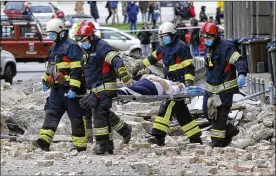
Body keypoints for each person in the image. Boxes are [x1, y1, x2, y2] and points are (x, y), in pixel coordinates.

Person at [131, 21, 202, 146]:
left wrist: (188, 82)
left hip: (178, 84)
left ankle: (159, 136)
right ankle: (195, 137)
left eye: (166, 36)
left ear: (173, 34)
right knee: (181, 112)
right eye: (162, 37)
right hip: (168, 82)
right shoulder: (163, 48)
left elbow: (189, 66)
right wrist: (138, 67)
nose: (164, 39)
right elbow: (151, 59)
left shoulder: (182, 47)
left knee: (167, 106)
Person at [74, 20, 132, 155]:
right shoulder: (85, 50)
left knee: (99, 113)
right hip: (93, 90)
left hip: (105, 87)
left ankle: (102, 144)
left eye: (83, 40)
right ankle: (121, 133)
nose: (82, 43)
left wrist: (123, 72)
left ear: (91, 36)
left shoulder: (102, 46)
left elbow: (116, 59)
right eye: (80, 40)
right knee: (104, 113)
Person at [33, 18, 87, 152]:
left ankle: (80, 145)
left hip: (70, 89)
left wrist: (74, 88)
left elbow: (76, 69)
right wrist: (45, 81)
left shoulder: (72, 46)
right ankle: (44, 141)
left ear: (60, 33)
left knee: (76, 117)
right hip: (57, 89)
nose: (50, 37)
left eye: (52, 34)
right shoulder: (54, 47)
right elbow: (51, 67)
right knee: (51, 112)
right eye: (49, 34)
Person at [201, 22, 247, 147]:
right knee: (207, 112)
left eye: (209, 37)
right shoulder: (208, 47)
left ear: (215, 36)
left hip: (224, 89)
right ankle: (230, 130)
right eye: (205, 37)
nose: (206, 40)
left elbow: (239, 60)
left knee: (220, 116)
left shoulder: (226, 47)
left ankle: (217, 143)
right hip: (210, 88)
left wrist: (242, 73)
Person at [118, 74, 186, 96]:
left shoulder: (177, 89)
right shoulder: (169, 82)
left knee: (133, 89)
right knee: (132, 88)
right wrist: (155, 78)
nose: (177, 83)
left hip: (153, 88)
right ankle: (117, 91)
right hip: (148, 83)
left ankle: (117, 91)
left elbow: (169, 91)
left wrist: (157, 79)